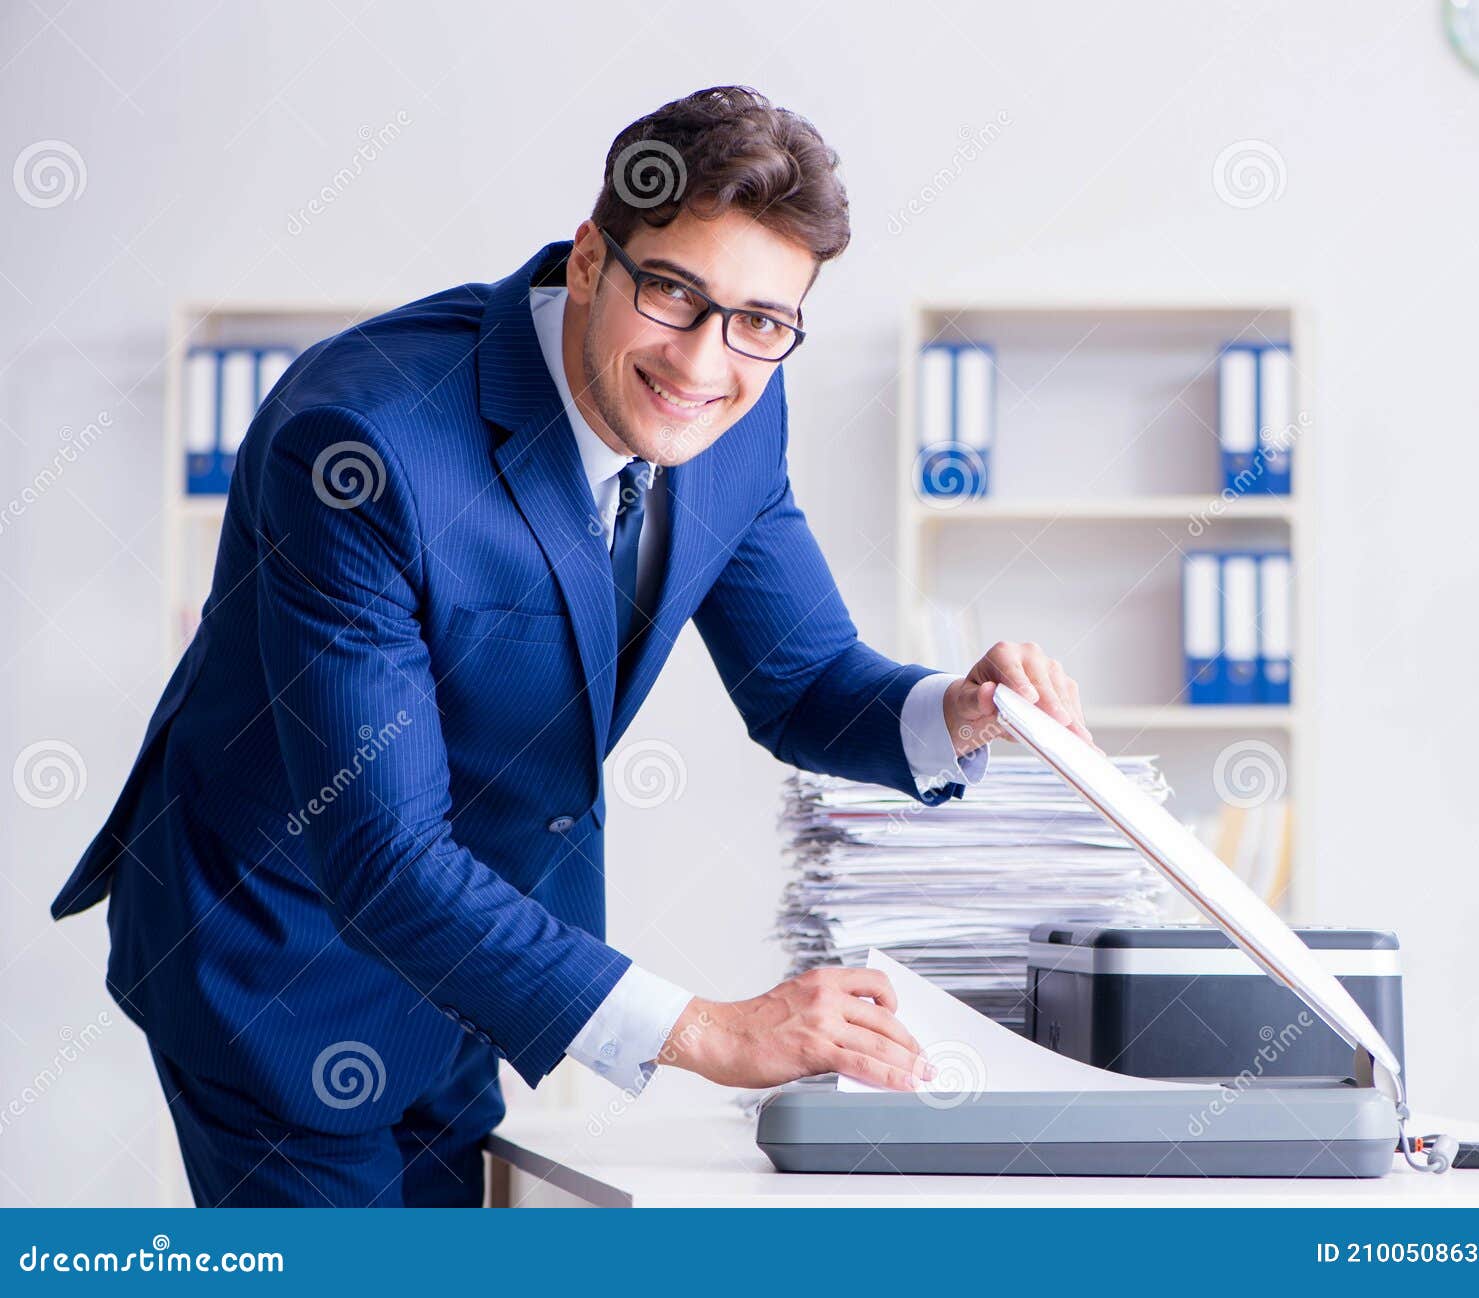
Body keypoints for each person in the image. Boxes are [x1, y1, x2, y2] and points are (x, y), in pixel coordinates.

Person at [51, 85, 1092, 1207]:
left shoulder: (740, 410)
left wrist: (957, 709)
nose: (704, 362)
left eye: (758, 321)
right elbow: (380, 855)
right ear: (593, 258)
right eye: (673, 293)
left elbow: (800, 679)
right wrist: (706, 1031)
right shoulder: (362, 447)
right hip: (281, 960)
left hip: (469, 965)